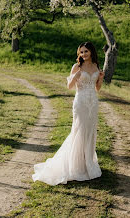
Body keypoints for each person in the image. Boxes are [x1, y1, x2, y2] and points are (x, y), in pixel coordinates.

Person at [32, 42, 105, 185]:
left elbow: (97, 88)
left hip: (93, 103)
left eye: (86, 51)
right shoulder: (77, 67)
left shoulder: (96, 66)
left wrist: (100, 78)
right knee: (79, 130)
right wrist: (76, 75)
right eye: (81, 52)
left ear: (91, 52)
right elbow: (69, 86)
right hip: (80, 102)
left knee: (90, 131)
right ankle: (75, 166)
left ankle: (87, 162)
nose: (83, 54)